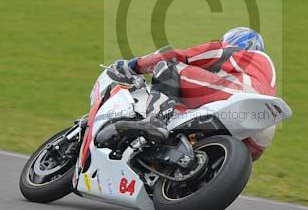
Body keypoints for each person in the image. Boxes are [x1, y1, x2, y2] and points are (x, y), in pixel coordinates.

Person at [108, 27, 277, 160]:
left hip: (239, 96)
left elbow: (179, 55)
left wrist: (133, 66)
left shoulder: (232, 51)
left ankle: (155, 120)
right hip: (262, 129)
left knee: (168, 66)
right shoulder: (266, 69)